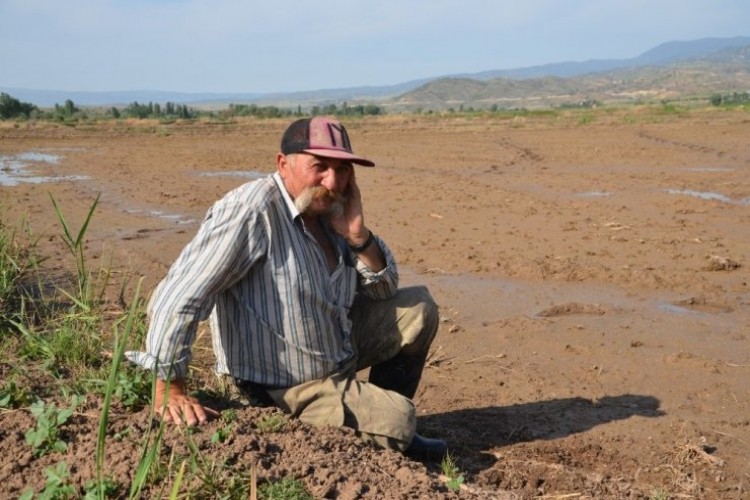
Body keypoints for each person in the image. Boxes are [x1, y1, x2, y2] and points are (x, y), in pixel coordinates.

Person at [126, 116, 446, 457]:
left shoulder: (329, 214)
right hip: (282, 386)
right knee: (401, 421)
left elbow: (383, 291)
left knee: (419, 308)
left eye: (343, 170)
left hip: (334, 355)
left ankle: (375, 415)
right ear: (283, 164)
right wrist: (168, 386)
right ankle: (383, 428)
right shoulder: (252, 211)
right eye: (319, 166)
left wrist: (357, 236)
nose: (333, 181)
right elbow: (179, 295)